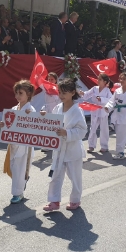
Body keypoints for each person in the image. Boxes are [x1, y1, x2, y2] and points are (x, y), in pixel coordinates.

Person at [43, 78, 87, 212]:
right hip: (59, 149)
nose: (61, 95)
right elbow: (53, 123)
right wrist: (44, 117)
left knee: (75, 177)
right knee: (55, 175)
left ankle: (75, 200)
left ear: (73, 92)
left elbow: (82, 131)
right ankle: (54, 201)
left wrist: (67, 133)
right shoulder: (57, 108)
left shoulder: (77, 111)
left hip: (72, 150)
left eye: (64, 93)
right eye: (59, 92)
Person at [0, 80, 36, 204]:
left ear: (29, 94)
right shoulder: (14, 108)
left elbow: (36, 126)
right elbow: (9, 124)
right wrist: (3, 125)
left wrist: (33, 117)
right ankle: (23, 181)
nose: (18, 96)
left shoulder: (30, 109)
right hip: (13, 144)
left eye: (21, 93)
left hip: (25, 147)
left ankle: (18, 193)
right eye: (16, 93)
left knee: (18, 169)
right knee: (13, 168)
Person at [105, 71, 126, 160]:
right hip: (117, 114)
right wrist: (108, 107)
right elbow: (112, 101)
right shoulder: (118, 91)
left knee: (121, 134)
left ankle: (120, 152)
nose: (121, 80)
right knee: (119, 133)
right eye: (121, 78)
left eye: (124, 79)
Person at [80, 73, 113, 153]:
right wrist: (82, 93)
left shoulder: (107, 91)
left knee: (104, 129)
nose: (98, 81)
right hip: (94, 110)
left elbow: (110, 100)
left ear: (105, 82)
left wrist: (101, 99)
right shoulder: (95, 88)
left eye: (100, 79)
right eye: (98, 79)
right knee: (93, 128)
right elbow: (87, 95)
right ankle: (91, 145)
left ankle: (104, 146)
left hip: (103, 111)